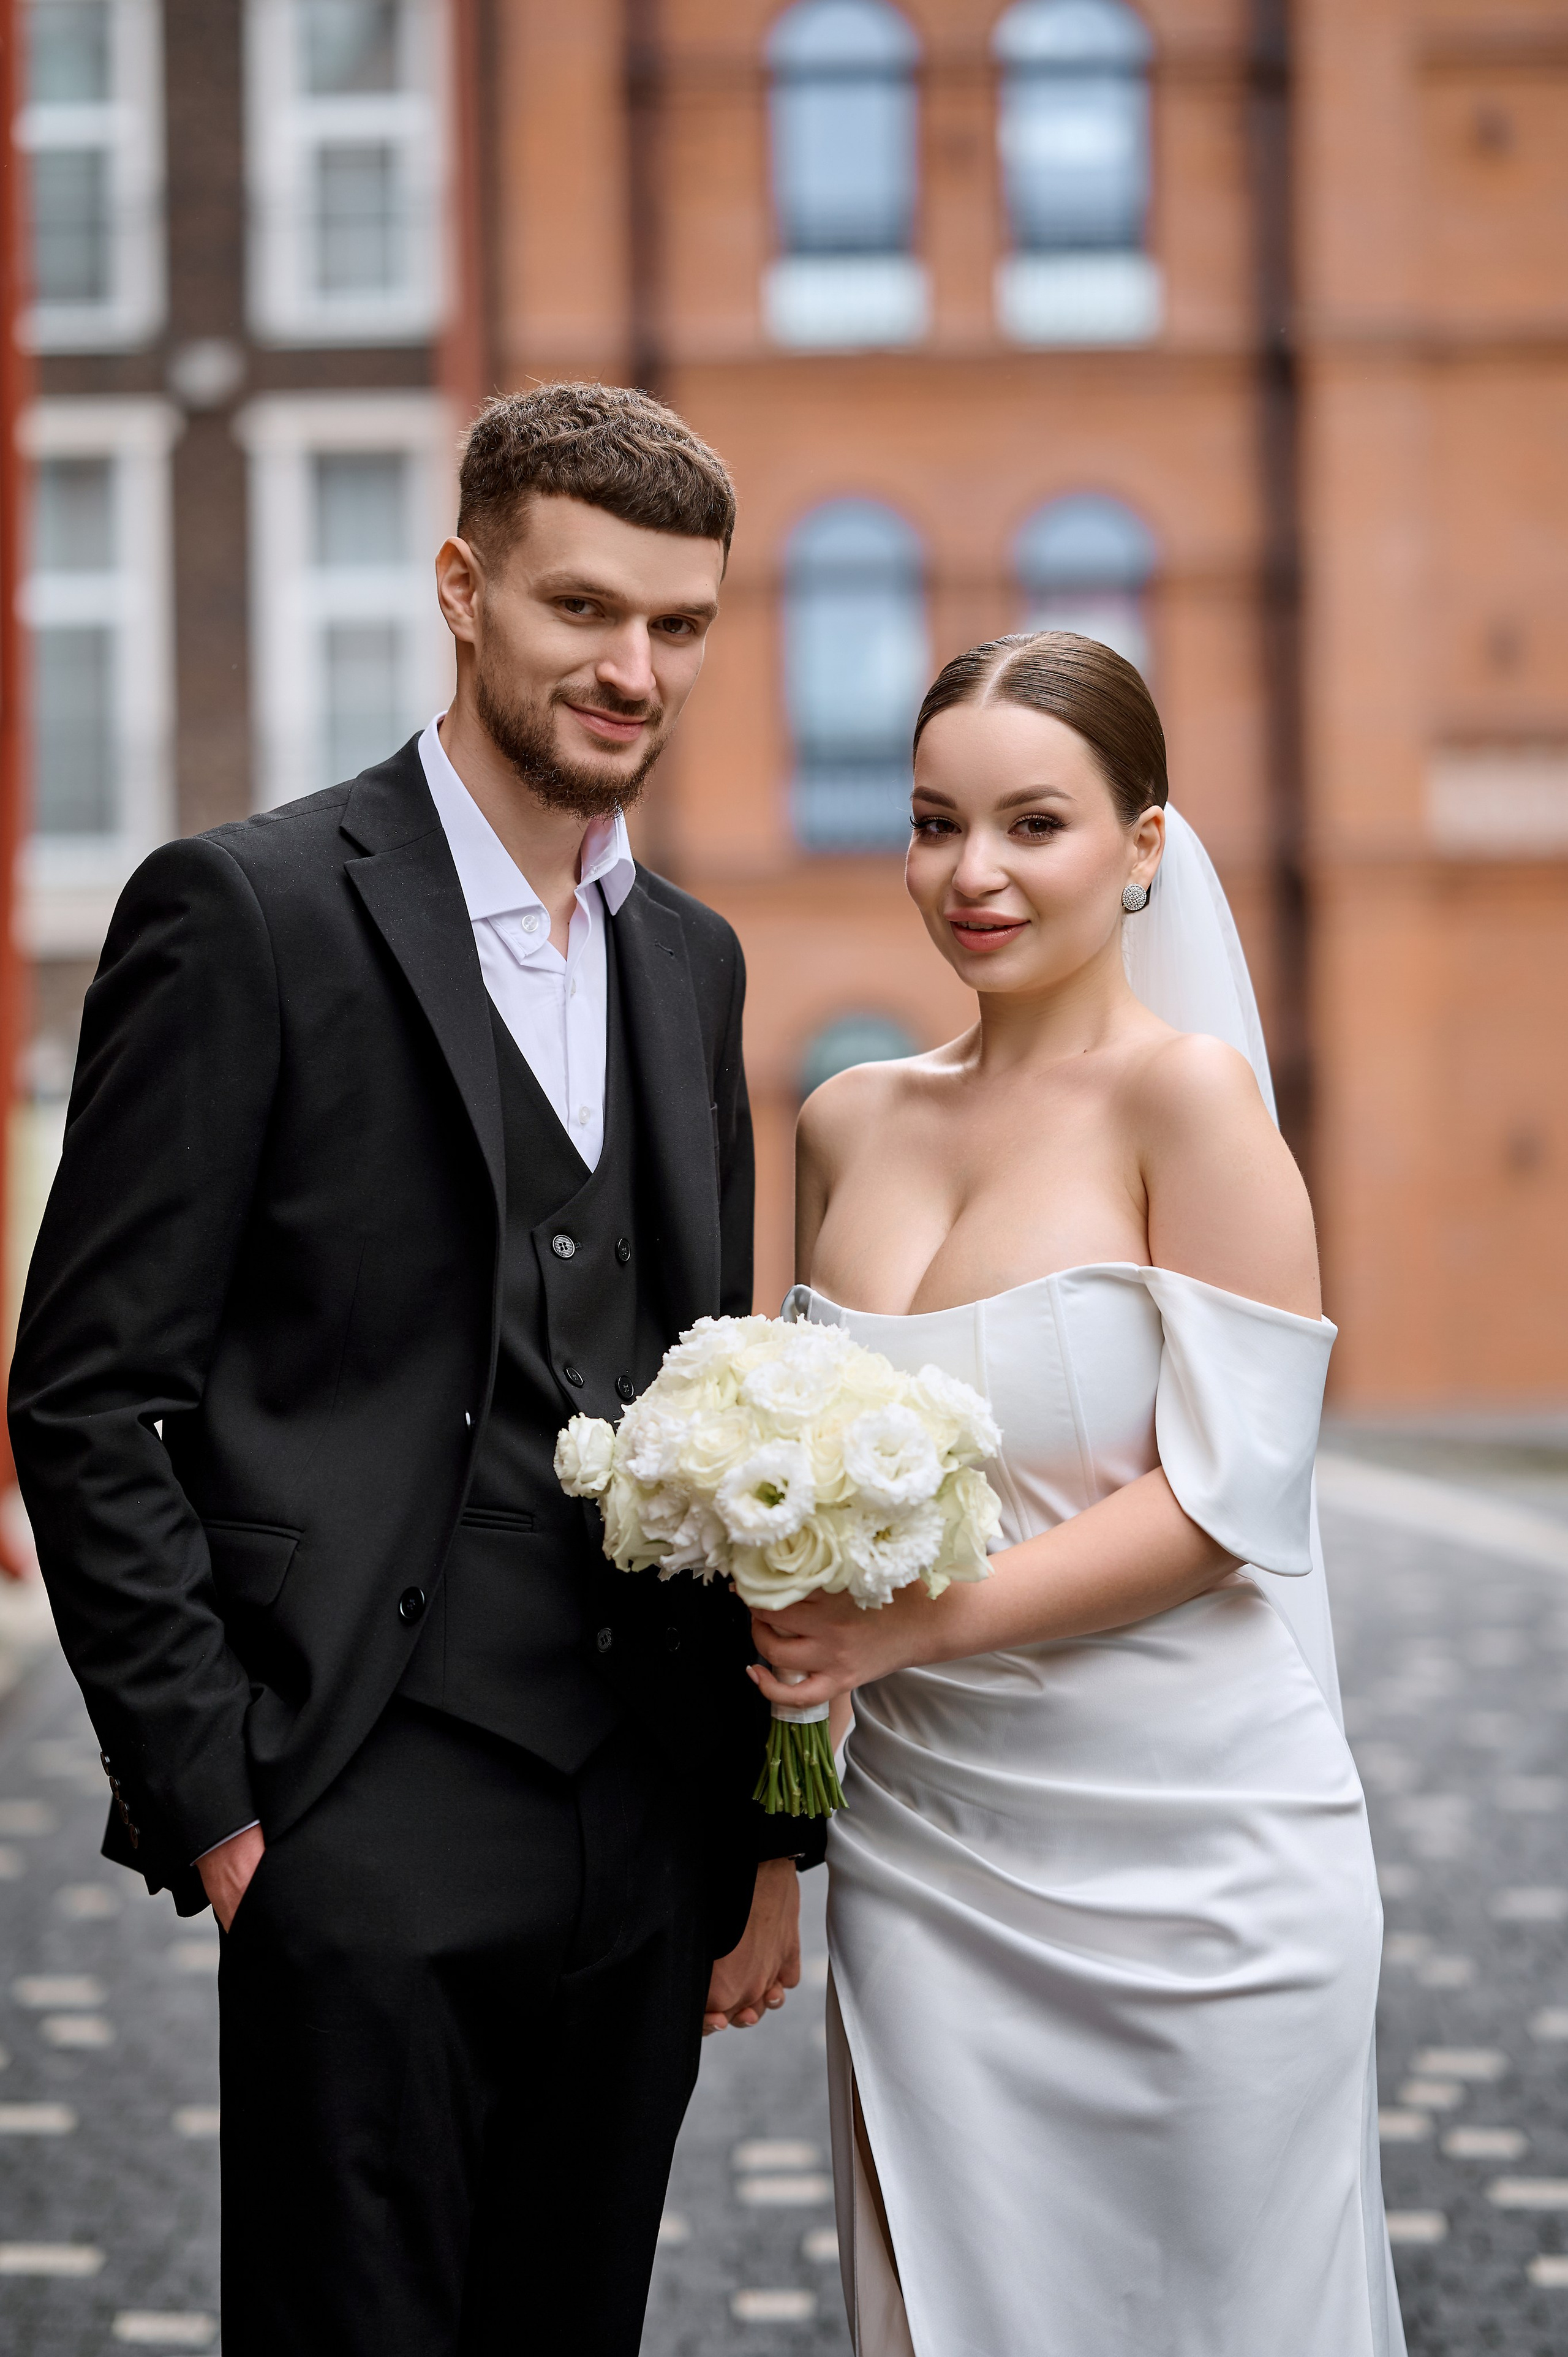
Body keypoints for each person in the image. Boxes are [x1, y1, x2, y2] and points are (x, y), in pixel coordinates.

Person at [9, 381, 821, 2357]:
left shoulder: (692, 961)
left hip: (639, 1823)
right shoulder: (251, 910)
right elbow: (85, 1391)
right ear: (464, 590)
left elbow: (701, 1379)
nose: (636, 670)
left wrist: (762, 1833)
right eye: (583, 610)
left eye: (683, 626)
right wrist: (224, 1809)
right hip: (354, 1805)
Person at [750, 632, 1405, 2357]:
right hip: (926, 1860)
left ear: (1139, 848)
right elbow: (785, 1497)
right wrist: (773, 1835)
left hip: (1201, 1864)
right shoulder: (843, 1120)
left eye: (1032, 824)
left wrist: (903, 1631)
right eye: (933, 822)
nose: (971, 874)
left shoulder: (1190, 1104)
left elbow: (1227, 1501)